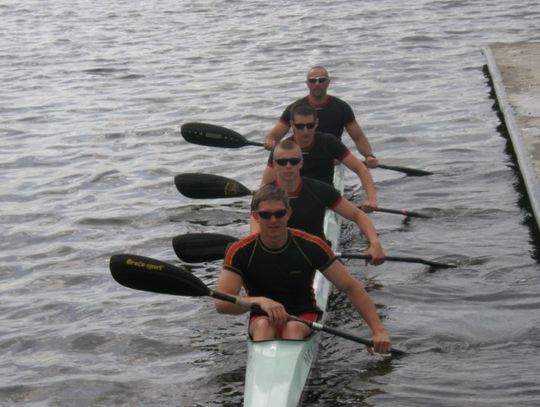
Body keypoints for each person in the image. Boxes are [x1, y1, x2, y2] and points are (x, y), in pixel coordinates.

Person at [214, 184, 392, 353]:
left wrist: (378, 331)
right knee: (263, 327)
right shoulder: (240, 251)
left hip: (303, 314)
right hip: (261, 317)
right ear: (255, 217)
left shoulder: (311, 245)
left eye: (279, 213)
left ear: (288, 214)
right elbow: (222, 304)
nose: (273, 220)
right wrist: (259, 301)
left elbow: (350, 288)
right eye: (266, 215)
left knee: (292, 328)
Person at [253, 139, 384, 264]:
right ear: (274, 164)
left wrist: (374, 243)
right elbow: (254, 237)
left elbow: (357, 215)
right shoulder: (262, 197)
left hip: (316, 256)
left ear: (301, 163)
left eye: (293, 161)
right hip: (280, 258)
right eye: (282, 162)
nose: (288, 166)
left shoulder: (319, 190)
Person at [261, 102, 377, 211]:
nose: (305, 131)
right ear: (292, 125)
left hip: (325, 199)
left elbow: (360, 168)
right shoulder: (282, 150)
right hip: (294, 202)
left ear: (316, 123)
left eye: (310, 125)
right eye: (300, 126)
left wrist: (371, 199)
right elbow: (265, 185)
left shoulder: (329, 142)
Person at [263, 65, 379, 168]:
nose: (317, 84)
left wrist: (369, 156)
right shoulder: (294, 109)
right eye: (312, 81)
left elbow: (358, 137)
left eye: (321, 80)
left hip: (333, 161)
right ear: (307, 84)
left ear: (328, 82)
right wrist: (270, 141)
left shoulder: (341, 108)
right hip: (302, 160)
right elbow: (273, 136)